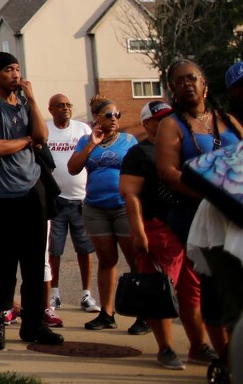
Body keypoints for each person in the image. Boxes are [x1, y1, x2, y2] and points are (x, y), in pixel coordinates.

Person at [156, 59, 242, 365]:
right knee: (214, 287)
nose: (186, 83)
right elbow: (167, 171)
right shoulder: (171, 125)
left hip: (236, 216)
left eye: (192, 77)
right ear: (173, 90)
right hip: (200, 218)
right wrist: (213, 194)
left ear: (205, 83)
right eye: (179, 81)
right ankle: (227, 360)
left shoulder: (228, 121)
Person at [0, 52, 63, 350]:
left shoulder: (26, 104)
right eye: (8, 70)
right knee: (0, 268)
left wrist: (34, 100)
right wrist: (26, 141)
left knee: (33, 266)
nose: (15, 74)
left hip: (31, 194)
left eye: (17, 69)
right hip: (1, 197)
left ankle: (34, 325)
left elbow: (42, 134)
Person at [121, 100, 214, 369]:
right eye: (159, 119)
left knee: (192, 291)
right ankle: (166, 348)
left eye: (169, 118)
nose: (165, 123)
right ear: (147, 123)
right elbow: (130, 193)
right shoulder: (139, 153)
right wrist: (138, 230)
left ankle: (198, 346)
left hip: (189, 228)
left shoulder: (180, 149)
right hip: (158, 228)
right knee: (160, 290)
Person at [67, 95, 141, 332]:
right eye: (108, 115)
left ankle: (145, 315)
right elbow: (73, 167)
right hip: (95, 208)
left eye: (117, 115)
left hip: (123, 207)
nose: (114, 119)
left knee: (136, 262)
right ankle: (107, 314)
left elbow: (143, 170)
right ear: (96, 119)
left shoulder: (129, 141)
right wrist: (92, 143)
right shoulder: (86, 141)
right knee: (107, 261)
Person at [45, 94, 99, 316]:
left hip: (81, 199)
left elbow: (93, 156)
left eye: (69, 105)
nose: (66, 108)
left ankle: (86, 294)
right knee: (53, 250)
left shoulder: (82, 130)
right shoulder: (46, 129)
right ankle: (54, 293)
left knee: (85, 249)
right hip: (55, 200)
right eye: (61, 105)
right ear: (51, 109)